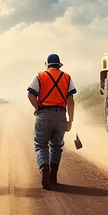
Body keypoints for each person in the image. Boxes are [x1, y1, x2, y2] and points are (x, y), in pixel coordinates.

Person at [27, 53, 76, 190]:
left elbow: (30, 94)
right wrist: (70, 120)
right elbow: (70, 100)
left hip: (44, 114)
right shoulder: (66, 77)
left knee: (41, 145)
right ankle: (53, 177)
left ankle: (44, 167)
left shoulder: (40, 75)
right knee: (56, 147)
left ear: (47, 64)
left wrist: (37, 108)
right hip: (60, 115)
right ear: (59, 65)